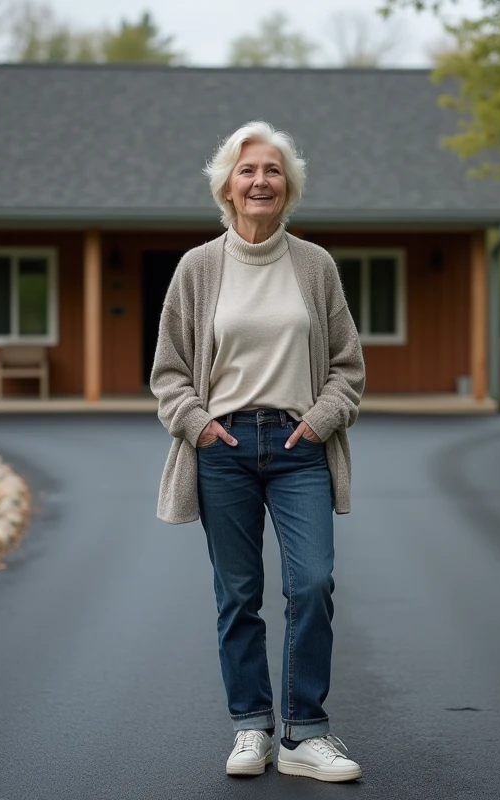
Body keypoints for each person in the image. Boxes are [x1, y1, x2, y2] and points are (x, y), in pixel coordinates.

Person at [150, 120, 366, 782]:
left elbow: (346, 367)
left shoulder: (315, 265)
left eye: (272, 170)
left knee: (313, 583)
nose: (260, 180)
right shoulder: (198, 268)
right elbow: (169, 374)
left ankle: (304, 734)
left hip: (301, 445)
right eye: (248, 170)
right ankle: (251, 728)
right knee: (238, 594)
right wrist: (200, 425)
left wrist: (323, 419)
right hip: (225, 447)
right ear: (227, 186)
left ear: (288, 186)